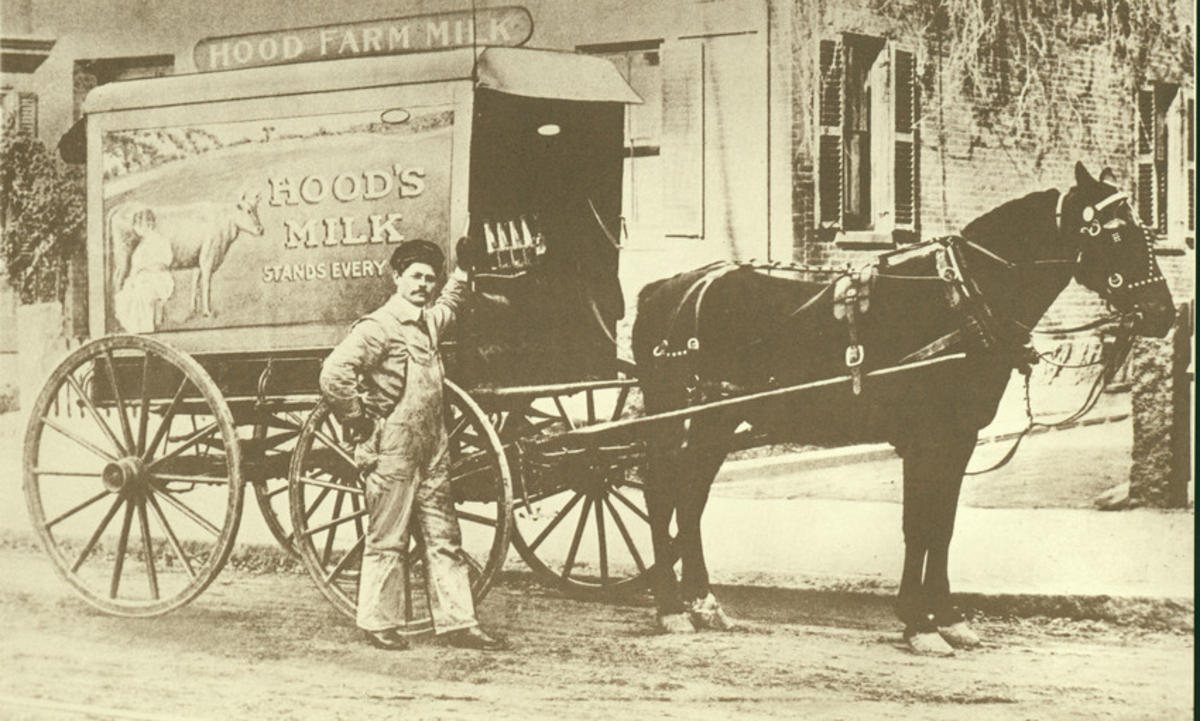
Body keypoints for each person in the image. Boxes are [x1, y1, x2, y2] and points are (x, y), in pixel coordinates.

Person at [319, 237, 504, 651]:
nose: (423, 285)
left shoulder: (428, 321)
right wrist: (359, 421)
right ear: (396, 277)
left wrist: (462, 272)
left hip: (433, 448)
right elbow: (333, 374)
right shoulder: (378, 327)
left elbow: (451, 304)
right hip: (393, 449)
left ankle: (459, 622)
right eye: (416, 277)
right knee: (388, 538)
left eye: (429, 279)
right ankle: (377, 622)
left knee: (444, 536)